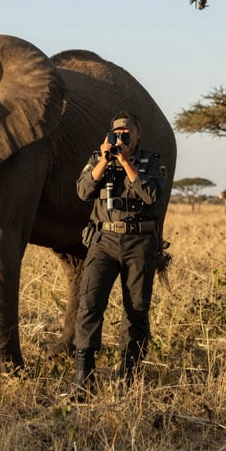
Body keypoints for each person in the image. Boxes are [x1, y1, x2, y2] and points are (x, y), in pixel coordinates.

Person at [71, 112, 167, 396]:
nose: (121, 136)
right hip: (103, 240)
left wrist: (125, 161)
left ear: (139, 134)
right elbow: (83, 191)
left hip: (139, 242)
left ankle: (128, 375)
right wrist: (104, 159)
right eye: (117, 132)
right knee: (89, 304)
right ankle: (83, 376)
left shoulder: (152, 162)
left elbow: (151, 195)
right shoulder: (98, 159)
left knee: (135, 311)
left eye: (127, 132)